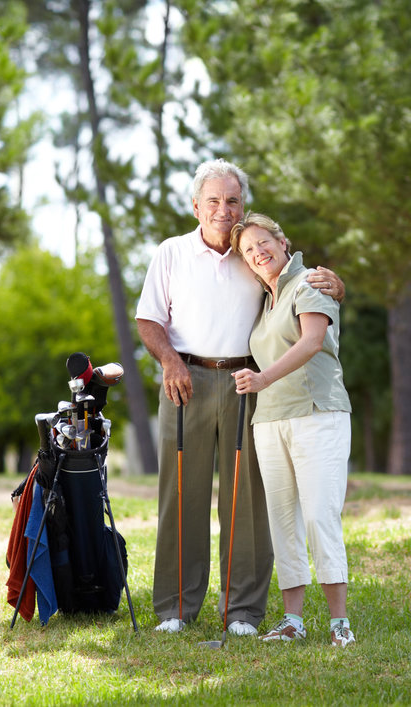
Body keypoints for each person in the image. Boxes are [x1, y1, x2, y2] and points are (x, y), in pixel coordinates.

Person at [134, 159, 344, 635]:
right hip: (183, 379)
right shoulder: (171, 252)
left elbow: (298, 286)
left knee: (248, 500)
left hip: (246, 383)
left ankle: (243, 612)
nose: (223, 210)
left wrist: (336, 284)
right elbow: (148, 320)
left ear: (242, 206)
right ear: (196, 206)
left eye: (232, 201)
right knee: (180, 496)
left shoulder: (254, 254)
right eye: (214, 201)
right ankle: (174, 609)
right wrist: (168, 361)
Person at [230, 213, 355, 648]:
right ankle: (292, 620)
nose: (258, 252)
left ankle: (340, 623)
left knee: (320, 515)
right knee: (282, 520)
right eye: (248, 250)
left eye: (263, 242)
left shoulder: (310, 283)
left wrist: (262, 378)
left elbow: (312, 341)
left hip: (318, 413)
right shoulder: (265, 300)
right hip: (269, 421)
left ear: (283, 242)